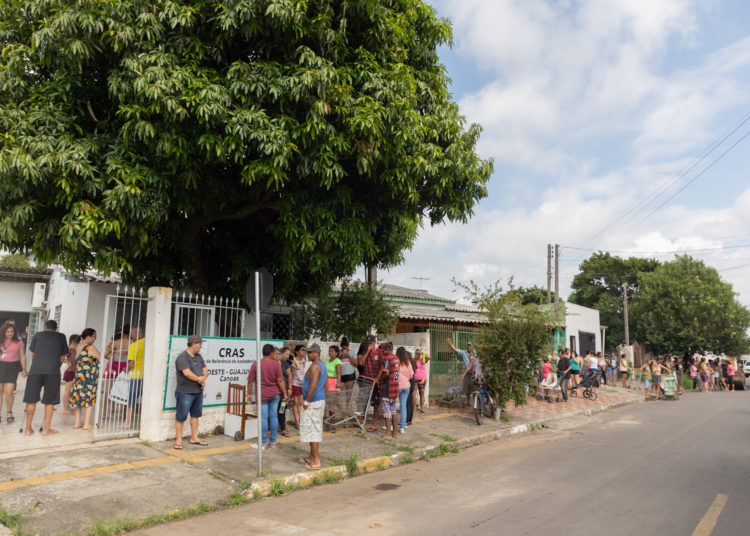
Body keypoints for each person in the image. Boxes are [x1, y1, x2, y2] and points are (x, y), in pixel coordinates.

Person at [23, 319, 68, 435]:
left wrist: (39, 365)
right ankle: (46, 429)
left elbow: (33, 354)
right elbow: (62, 358)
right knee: (50, 401)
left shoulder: (37, 336)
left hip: (35, 371)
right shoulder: (61, 337)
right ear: (56, 328)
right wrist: (54, 366)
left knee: (31, 400)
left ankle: (28, 429)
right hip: (52, 372)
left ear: (45, 327)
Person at [173, 335, 208, 449]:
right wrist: (199, 379)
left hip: (198, 391)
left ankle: (194, 437)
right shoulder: (182, 357)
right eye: (199, 344)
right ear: (193, 344)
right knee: (181, 416)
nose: (201, 346)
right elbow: (187, 373)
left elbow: (205, 370)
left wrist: (202, 379)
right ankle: (179, 440)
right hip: (185, 392)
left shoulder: (199, 357)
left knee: (195, 415)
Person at [247, 344, 285, 449]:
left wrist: (249, 394)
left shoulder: (256, 364)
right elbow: (280, 381)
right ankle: (273, 442)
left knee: (263, 418)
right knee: (274, 416)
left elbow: (250, 381)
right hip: (275, 394)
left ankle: (263, 443)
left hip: (262, 395)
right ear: (272, 353)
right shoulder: (277, 364)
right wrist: (285, 393)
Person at [299, 343, 326, 468]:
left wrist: (307, 402)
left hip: (313, 402)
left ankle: (316, 460)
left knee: (313, 431)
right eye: (307, 352)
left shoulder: (315, 366)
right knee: (312, 430)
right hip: (317, 401)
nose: (308, 355)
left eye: (310, 352)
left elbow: (314, 385)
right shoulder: (322, 365)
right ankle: (311, 457)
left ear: (316, 353)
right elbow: (325, 385)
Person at [69, 328, 101, 430]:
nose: (95, 338)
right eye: (94, 336)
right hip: (88, 378)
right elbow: (100, 358)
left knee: (78, 398)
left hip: (79, 377)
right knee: (89, 399)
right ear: (88, 337)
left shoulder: (78, 346)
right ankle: (86, 424)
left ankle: (77, 422)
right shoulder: (90, 347)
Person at [0, 320, 27, 424]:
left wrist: (24, 369)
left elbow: (22, 356)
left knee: (9, 391)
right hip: (1, 365)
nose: (10, 333)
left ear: (14, 332)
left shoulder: (18, 341)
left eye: (11, 331)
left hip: (13, 367)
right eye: (7, 332)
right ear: (3, 332)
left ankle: (9, 411)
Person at [377, 342, 400, 439]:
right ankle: (395, 432)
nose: (382, 351)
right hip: (395, 388)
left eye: (383, 350)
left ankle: (388, 434)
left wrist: (379, 379)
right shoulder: (397, 358)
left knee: (387, 412)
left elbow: (385, 373)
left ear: (387, 350)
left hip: (387, 388)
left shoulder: (387, 359)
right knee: (393, 410)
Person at [446, 338, 477, 408]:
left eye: (470, 346)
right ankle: (468, 401)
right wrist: (450, 344)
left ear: (472, 347)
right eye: (468, 346)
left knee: (474, 389)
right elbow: (456, 349)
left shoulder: (475, 354)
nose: (469, 347)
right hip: (465, 373)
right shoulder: (464, 352)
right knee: (467, 388)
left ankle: (475, 403)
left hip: (473, 373)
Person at [124, 326, 145, 428]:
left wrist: (124, 370)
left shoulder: (134, 346)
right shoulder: (148, 343)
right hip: (147, 376)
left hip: (136, 376)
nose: (132, 336)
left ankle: (127, 422)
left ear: (136, 334)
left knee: (131, 399)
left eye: (132, 334)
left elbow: (131, 364)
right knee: (145, 399)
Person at [361, 340, 384, 432]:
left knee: (375, 404)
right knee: (362, 401)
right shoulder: (366, 352)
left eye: (370, 343)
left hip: (374, 382)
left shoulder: (379, 352)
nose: (368, 345)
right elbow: (361, 363)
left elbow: (382, 366)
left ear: (374, 343)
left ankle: (375, 423)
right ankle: (361, 420)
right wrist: (367, 351)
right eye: (367, 343)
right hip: (366, 381)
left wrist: (378, 379)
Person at [61, 334, 81, 416]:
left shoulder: (76, 349)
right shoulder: (69, 349)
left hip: (75, 371)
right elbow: (61, 358)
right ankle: (65, 409)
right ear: (73, 341)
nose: (79, 343)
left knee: (71, 391)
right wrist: (68, 363)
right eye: (78, 341)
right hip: (70, 372)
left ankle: (68, 408)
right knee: (67, 391)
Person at [276, 347, 293, 437]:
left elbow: (289, 375)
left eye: (279, 354)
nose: (277, 356)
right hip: (274, 392)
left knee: (281, 410)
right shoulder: (272, 364)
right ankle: (273, 428)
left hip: (284, 392)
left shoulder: (284, 363)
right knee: (274, 411)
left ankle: (283, 428)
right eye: (276, 354)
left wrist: (289, 388)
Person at [396, 347, 413, 434]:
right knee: (403, 406)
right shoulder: (408, 363)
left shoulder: (396, 362)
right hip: (406, 386)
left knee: (392, 406)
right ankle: (402, 427)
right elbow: (411, 376)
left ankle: (392, 425)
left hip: (397, 386)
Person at [290, 345, 307, 429]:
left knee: (301, 402)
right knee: (295, 403)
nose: (304, 351)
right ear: (297, 352)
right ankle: (297, 422)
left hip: (302, 384)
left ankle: (301, 420)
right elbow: (297, 368)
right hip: (294, 384)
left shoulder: (304, 360)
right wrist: (294, 359)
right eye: (302, 350)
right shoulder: (293, 360)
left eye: (304, 350)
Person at [413, 348, 431, 413]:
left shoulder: (422, 360)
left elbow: (429, 357)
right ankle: (414, 408)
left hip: (422, 379)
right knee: (413, 394)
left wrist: (423, 354)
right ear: (415, 353)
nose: (418, 355)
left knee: (421, 393)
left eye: (419, 354)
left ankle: (422, 408)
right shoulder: (412, 360)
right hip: (414, 379)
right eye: (417, 354)